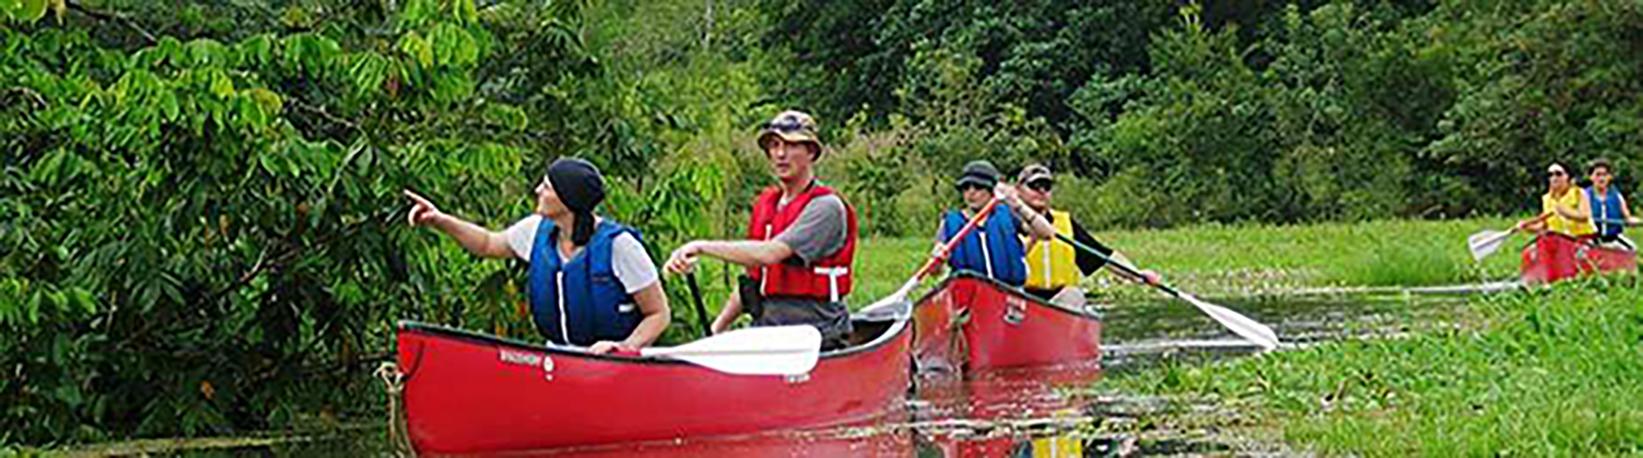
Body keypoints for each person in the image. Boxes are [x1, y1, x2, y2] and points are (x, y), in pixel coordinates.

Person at [405, 158, 670, 355]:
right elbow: (487, 243)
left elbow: (658, 314)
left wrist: (624, 347)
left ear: (567, 199)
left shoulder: (620, 247)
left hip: (613, 364)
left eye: (546, 188)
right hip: (558, 358)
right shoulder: (535, 231)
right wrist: (440, 220)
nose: (537, 192)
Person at [664, 110, 858, 350]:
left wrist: (701, 246)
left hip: (815, 330)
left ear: (811, 152)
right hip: (767, 328)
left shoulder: (826, 208)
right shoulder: (768, 205)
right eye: (774, 145)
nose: (780, 154)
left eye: (791, 145)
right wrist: (716, 330)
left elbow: (769, 254)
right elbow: (753, 276)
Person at [1012, 164, 1160, 303]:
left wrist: (1136, 274)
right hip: (1021, 297)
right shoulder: (1007, 221)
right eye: (1034, 186)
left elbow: (1102, 257)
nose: (1042, 191)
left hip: (1059, 301)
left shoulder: (1065, 222)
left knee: (1073, 294)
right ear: (1018, 189)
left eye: (1047, 187)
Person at [931, 160, 1057, 287]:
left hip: (1010, 293)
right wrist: (937, 261)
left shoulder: (1008, 214)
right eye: (966, 187)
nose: (971, 192)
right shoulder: (949, 223)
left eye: (978, 187)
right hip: (970, 295)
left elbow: (1047, 234)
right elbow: (935, 272)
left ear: (992, 190)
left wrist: (1018, 205)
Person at [1516, 163, 1596, 239]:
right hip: (1559, 242)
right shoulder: (1546, 198)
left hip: (1581, 240)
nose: (1554, 177)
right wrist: (1527, 227)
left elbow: (1585, 216)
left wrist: (1565, 212)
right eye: (1550, 175)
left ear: (1567, 176)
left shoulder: (1578, 193)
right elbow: (1544, 226)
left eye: (1558, 174)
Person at [1583, 158, 1640, 250]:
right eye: (1598, 175)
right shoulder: (1584, 196)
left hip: (1613, 239)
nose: (1601, 178)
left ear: (1609, 177)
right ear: (1591, 177)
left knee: (1632, 249)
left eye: (1604, 175)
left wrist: (1633, 221)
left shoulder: (1617, 196)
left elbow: (1627, 217)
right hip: (1591, 239)